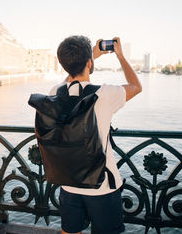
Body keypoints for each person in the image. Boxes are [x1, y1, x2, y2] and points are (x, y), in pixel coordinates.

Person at [51, 35, 142, 234]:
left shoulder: (55, 92)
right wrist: (120, 56)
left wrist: (88, 58)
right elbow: (136, 86)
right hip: (102, 185)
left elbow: (69, 80)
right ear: (89, 63)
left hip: (68, 182)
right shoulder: (105, 93)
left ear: (62, 64)